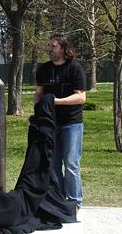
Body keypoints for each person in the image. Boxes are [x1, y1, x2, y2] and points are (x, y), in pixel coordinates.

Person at [34, 34, 87, 211]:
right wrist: (37, 114)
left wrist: (56, 101)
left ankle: (74, 202)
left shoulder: (74, 68)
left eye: (53, 46)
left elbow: (81, 97)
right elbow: (39, 94)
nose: (50, 49)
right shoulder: (43, 69)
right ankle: (60, 199)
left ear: (63, 49)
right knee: (53, 164)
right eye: (49, 46)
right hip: (50, 124)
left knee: (71, 163)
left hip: (72, 124)